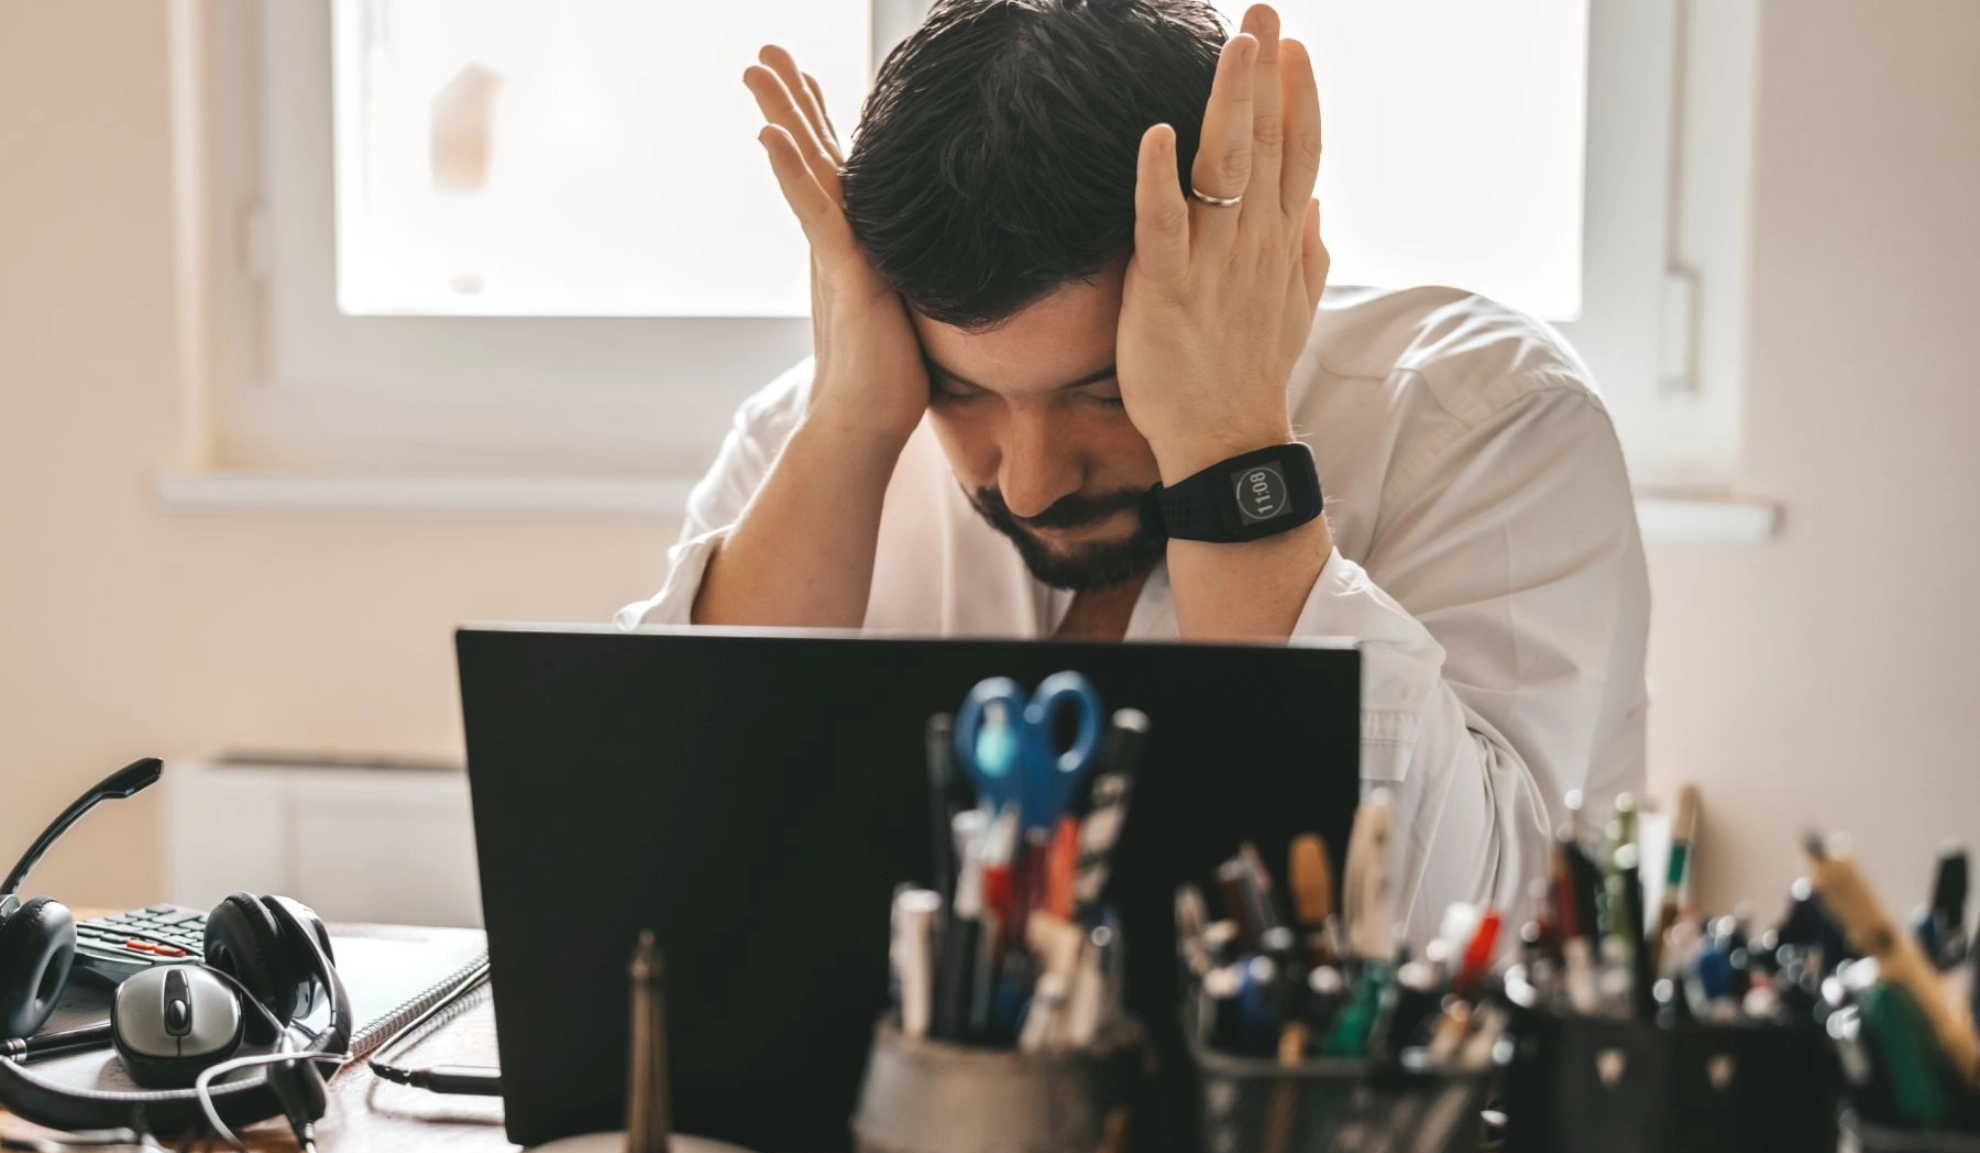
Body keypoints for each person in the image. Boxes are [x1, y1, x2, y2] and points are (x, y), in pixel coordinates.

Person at [619, 0, 1650, 946]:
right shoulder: (834, 421)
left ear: (1254, 260)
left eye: (1107, 391)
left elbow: (1452, 935)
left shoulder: (1488, 419)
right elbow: (639, 864)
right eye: (961, 391)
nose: (1030, 485)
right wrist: (850, 428)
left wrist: (1228, 445)